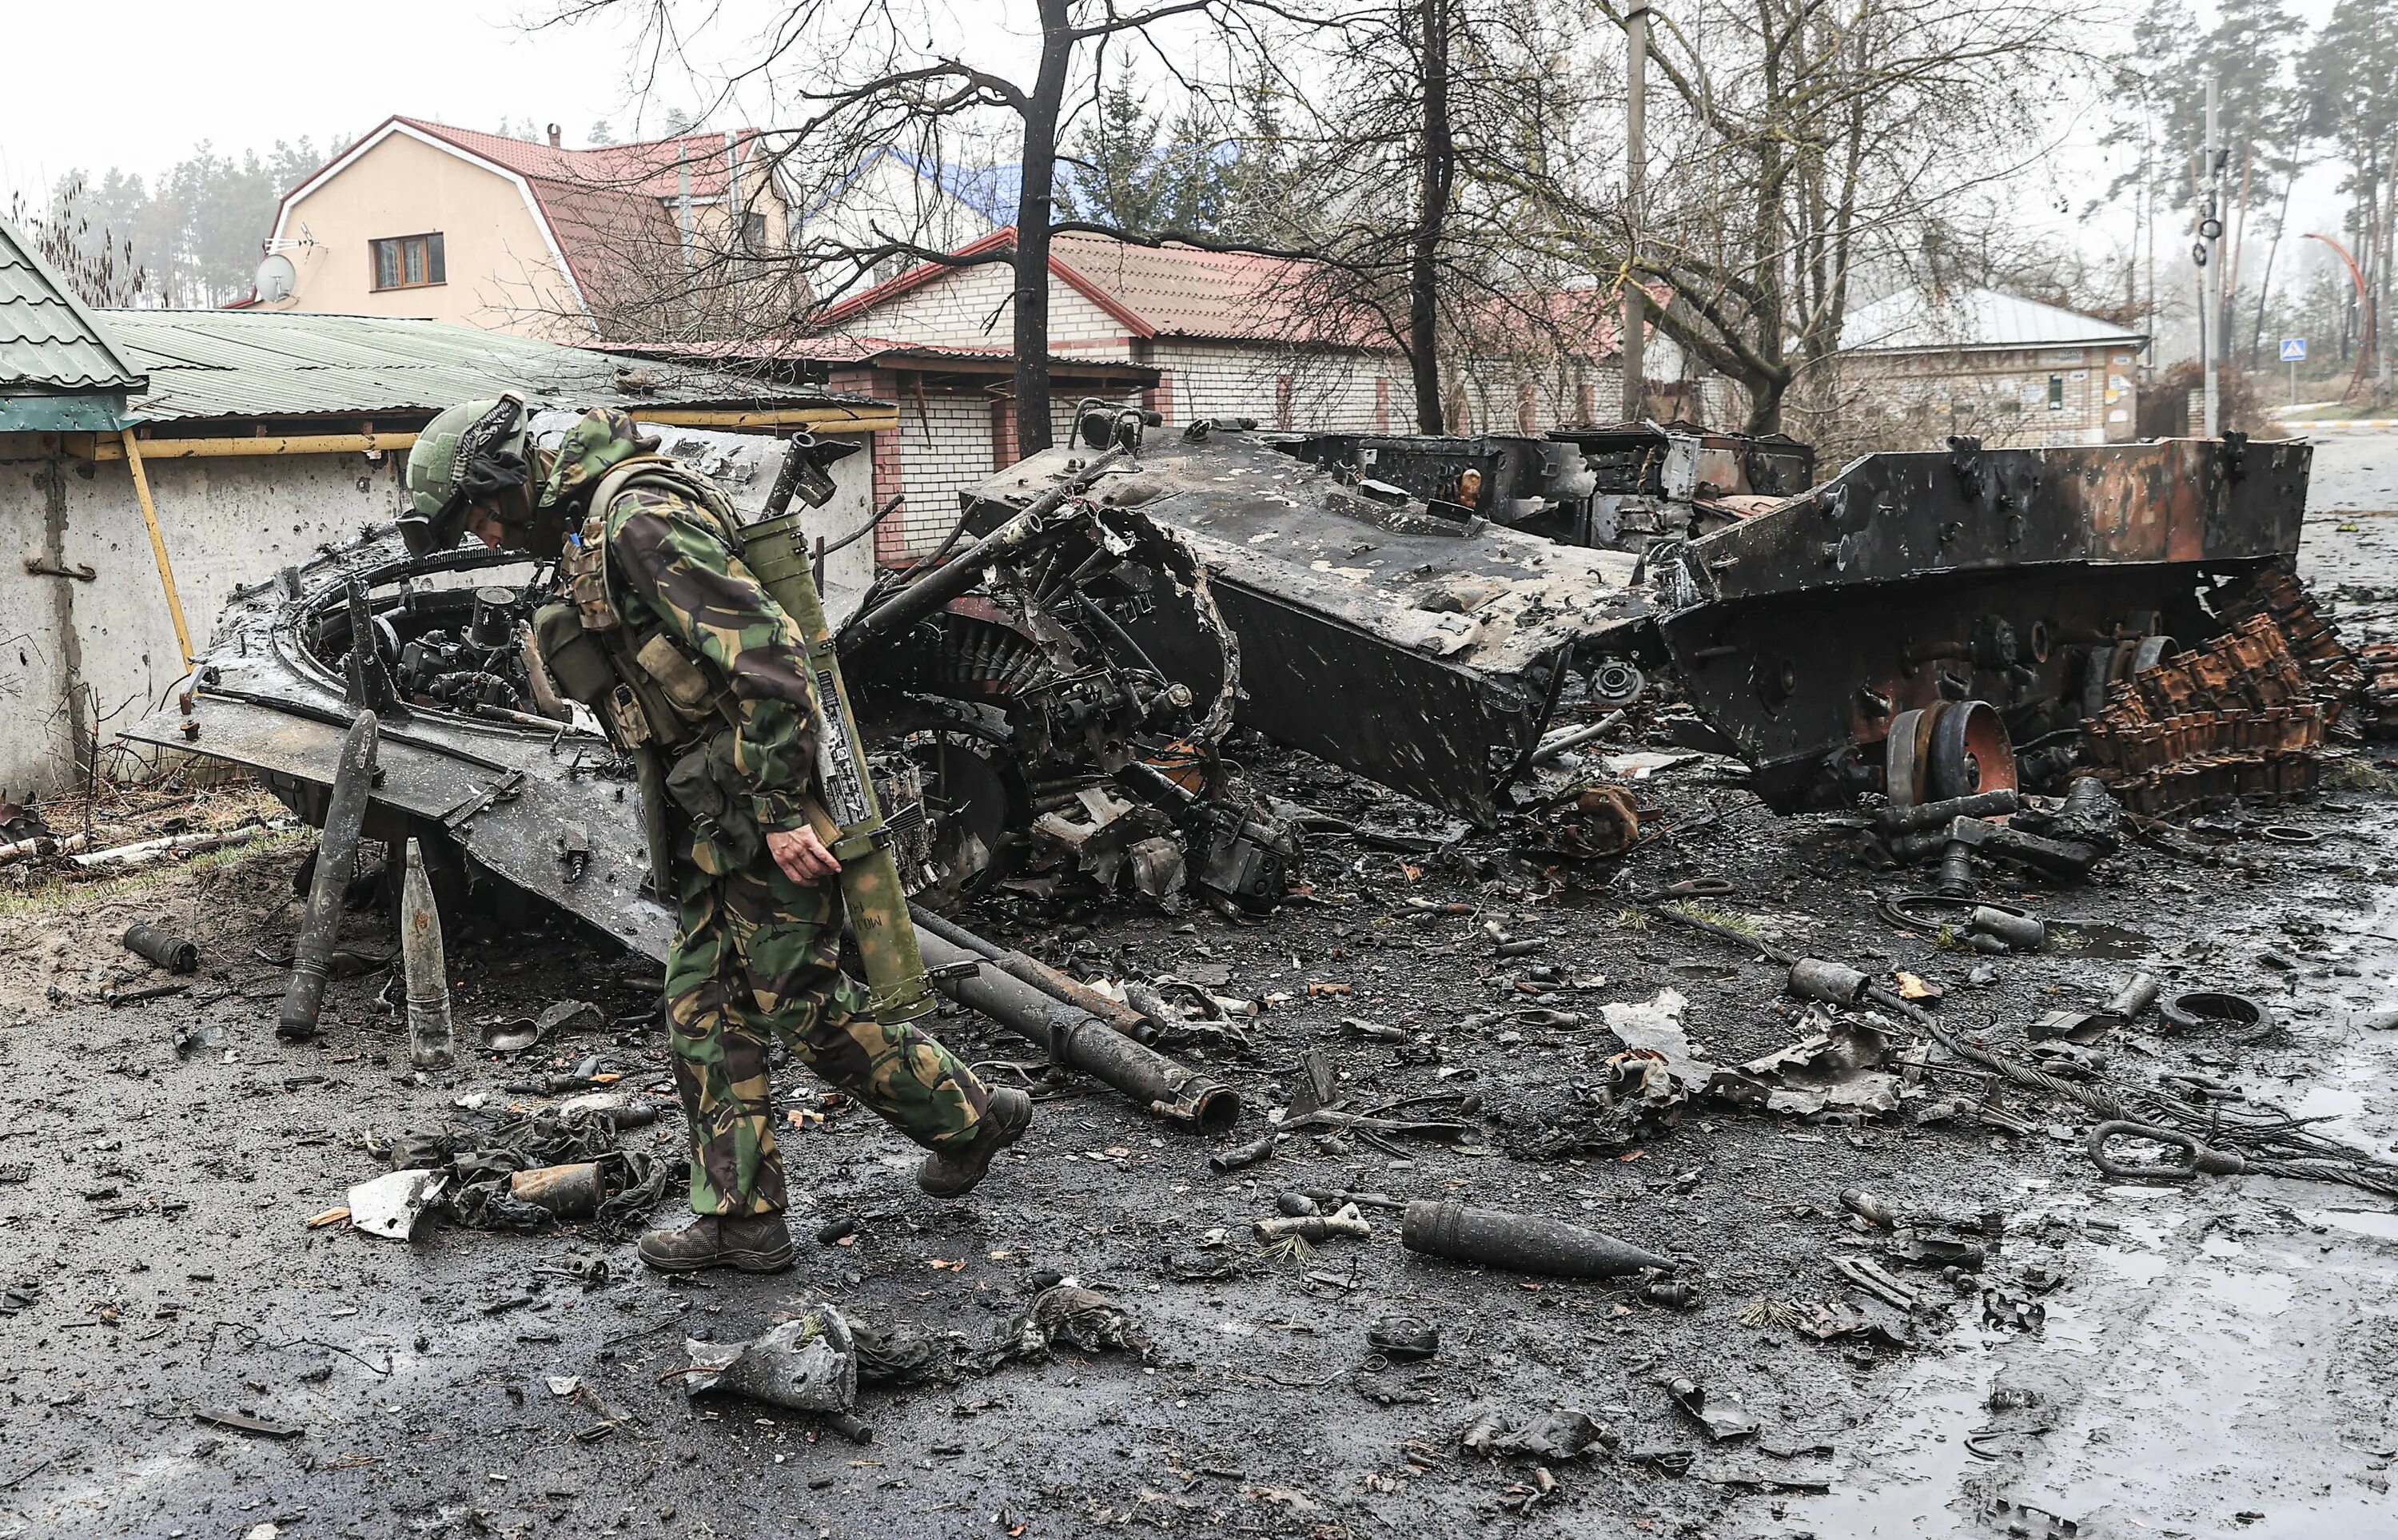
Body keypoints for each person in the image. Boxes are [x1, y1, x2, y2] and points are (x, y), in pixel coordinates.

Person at [402, 396, 1031, 1274]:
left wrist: (779, 815)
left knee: (795, 1001)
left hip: (758, 800)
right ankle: (743, 1220)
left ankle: (971, 1115)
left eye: (475, 511)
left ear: (504, 477)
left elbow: (770, 660)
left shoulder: (638, 519)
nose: (484, 533)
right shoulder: (600, 525)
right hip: (715, 812)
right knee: (702, 1002)